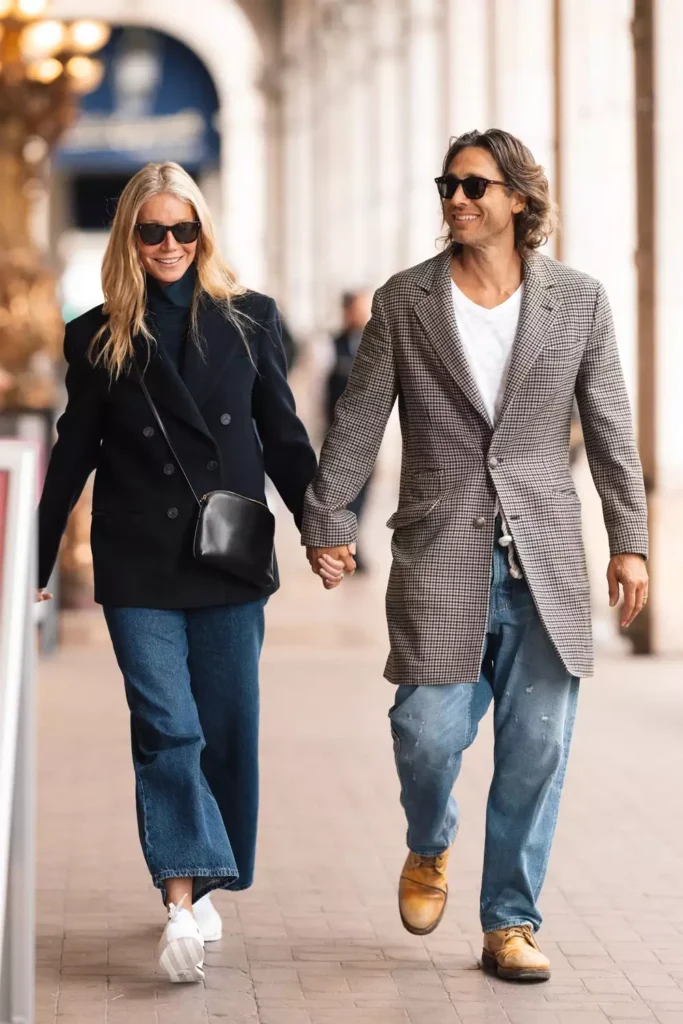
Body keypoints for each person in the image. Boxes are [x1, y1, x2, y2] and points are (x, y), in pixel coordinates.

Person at [302, 129, 648, 981]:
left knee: (535, 748)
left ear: (518, 200)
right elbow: (357, 419)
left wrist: (630, 543)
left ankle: (508, 924)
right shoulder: (403, 302)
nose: (455, 199)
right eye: (447, 185)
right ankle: (430, 843)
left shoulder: (579, 301)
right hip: (438, 547)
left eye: (473, 185)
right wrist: (326, 518)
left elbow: (609, 427)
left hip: (546, 559)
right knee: (424, 733)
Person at [36, 161, 317, 984]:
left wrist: (322, 529)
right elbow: (71, 456)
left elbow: (285, 441)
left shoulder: (251, 321)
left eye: (182, 229)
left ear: (203, 232)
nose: (168, 244)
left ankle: (203, 877)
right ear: (130, 234)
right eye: (152, 230)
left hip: (227, 558)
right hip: (137, 561)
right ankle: (180, 903)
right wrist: (36, 556)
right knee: (168, 729)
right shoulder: (96, 334)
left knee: (226, 731)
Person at [323, 290, 373, 570]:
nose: (362, 314)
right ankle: (343, 548)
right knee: (343, 496)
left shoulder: (370, 342)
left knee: (363, 495)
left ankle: (351, 546)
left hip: (368, 437)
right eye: (358, 308)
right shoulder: (330, 345)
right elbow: (317, 390)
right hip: (337, 436)